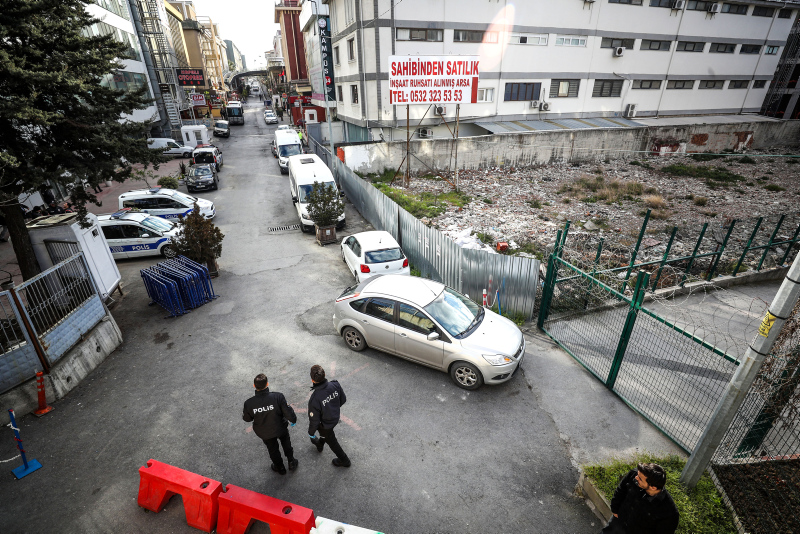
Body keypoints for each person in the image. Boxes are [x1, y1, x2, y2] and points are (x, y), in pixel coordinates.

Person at [242, 373, 299, 475]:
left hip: (264, 432)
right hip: (280, 428)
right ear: (267, 384)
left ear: (254, 386)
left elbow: (247, 419)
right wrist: (293, 420)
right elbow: (288, 412)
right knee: (286, 443)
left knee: (272, 449)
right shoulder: (278, 397)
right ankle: (291, 462)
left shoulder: (249, 403)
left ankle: (280, 468)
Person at [602, 463, 679, 534]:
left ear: (653, 487)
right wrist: (614, 509)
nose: (636, 477)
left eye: (640, 479)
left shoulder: (669, 513)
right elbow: (621, 489)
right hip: (618, 522)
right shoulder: (635, 474)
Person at [307, 365, 350, 467]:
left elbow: (315, 421)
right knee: (326, 435)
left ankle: (344, 460)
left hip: (325, 425)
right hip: (335, 417)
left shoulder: (314, 399)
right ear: (324, 374)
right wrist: (332, 408)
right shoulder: (335, 385)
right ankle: (320, 444)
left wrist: (311, 433)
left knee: (332, 442)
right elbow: (343, 400)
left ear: (312, 379)